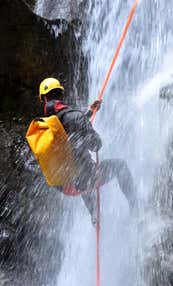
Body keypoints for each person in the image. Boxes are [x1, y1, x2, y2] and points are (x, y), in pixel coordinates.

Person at [37, 78, 137, 223]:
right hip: (82, 181)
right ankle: (137, 208)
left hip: (62, 184)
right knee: (119, 166)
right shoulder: (75, 117)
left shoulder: (46, 124)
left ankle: (94, 213)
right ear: (62, 95)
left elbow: (68, 124)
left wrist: (89, 112)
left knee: (78, 165)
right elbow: (96, 145)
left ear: (44, 99)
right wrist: (86, 132)